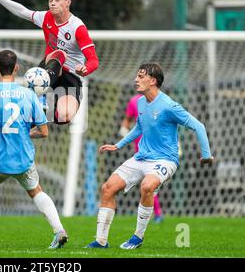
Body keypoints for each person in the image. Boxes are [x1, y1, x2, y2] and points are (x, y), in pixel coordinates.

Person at [86, 62, 214, 249]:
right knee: (107, 188)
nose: (136, 80)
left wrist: (206, 154)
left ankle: (137, 237)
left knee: (147, 186)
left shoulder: (169, 106)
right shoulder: (139, 102)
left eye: (141, 76)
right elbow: (139, 127)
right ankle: (100, 241)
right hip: (141, 157)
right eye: (137, 76)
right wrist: (118, 145)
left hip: (165, 160)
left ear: (153, 81)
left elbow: (199, 126)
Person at [0, 49, 68, 249]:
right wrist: (22, 133)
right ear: (17, 68)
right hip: (23, 160)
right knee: (36, 191)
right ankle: (59, 230)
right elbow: (43, 132)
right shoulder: (29, 95)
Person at [0, 0, 99, 125]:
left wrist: (85, 69)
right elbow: (22, 11)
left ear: (68, 2)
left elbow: (94, 60)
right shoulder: (45, 17)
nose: (53, 3)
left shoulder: (77, 27)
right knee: (60, 54)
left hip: (71, 77)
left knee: (65, 116)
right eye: (50, 0)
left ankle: (40, 113)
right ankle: (39, 93)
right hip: (49, 68)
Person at [119, 93, 165, 223]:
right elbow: (127, 119)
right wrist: (124, 130)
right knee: (148, 179)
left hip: (154, 144)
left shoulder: (159, 101)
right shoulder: (135, 101)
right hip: (142, 144)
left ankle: (156, 214)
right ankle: (157, 214)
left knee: (150, 180)